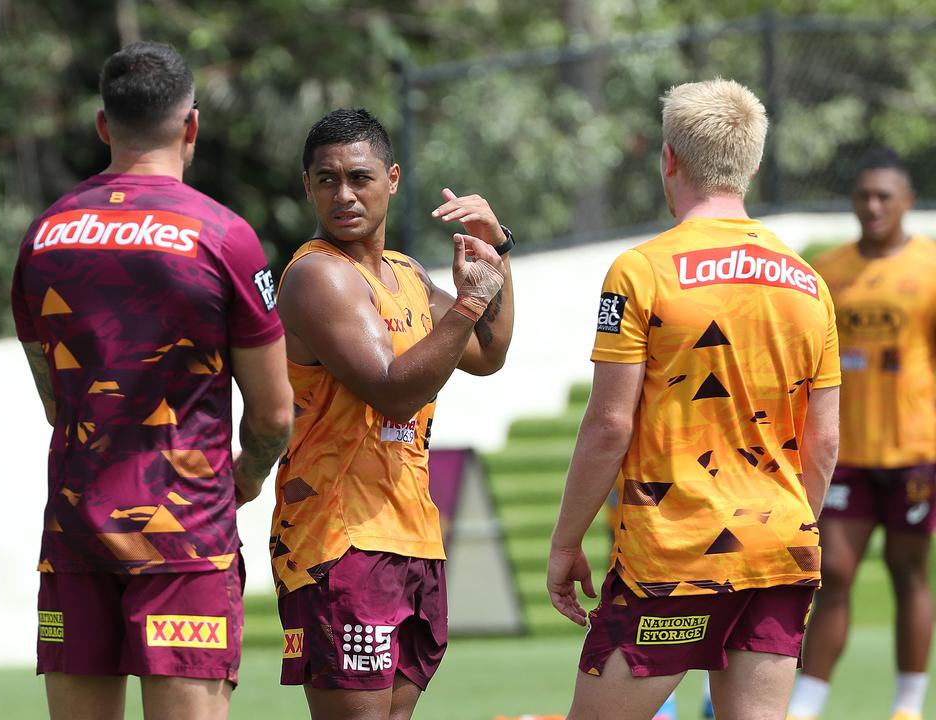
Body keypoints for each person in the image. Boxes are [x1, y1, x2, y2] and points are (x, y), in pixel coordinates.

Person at [10, 42, 293, 720]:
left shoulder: (43, 236)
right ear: (191, 125)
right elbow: (274, 414)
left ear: (104, 126)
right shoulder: (224, 236)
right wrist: (245, 477)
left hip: (76, 538)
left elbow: (55, 399)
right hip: (185, 538)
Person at [547, 79, 841, 720]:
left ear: (669, 158)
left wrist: (565, 542)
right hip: (780, 550)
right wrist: (790, 529)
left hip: (674, 555)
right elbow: (825, 442)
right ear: (753, 164)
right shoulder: (809, 282)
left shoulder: (641, 270)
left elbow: (607, 424)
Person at [271, 108, 515, 720]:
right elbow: (393, 390)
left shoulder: (404, 273)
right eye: (326, 180)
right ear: (307, 186)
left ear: (394, 178)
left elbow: (487, 353)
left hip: (411, 533)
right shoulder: (316, 277)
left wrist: (496, 252)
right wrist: (469, 303)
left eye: (360, 177)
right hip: (336, 538)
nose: (344, 194)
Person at [790, 149, 936, 720]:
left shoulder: (928, 268)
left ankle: (907, 704)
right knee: (834, 572)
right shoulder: (828, 270)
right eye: (863, 196)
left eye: (884, 196)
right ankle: (805, 704)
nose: (872, 206)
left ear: (907, 201)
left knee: (908, 572)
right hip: (844, 453)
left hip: (913, 455)